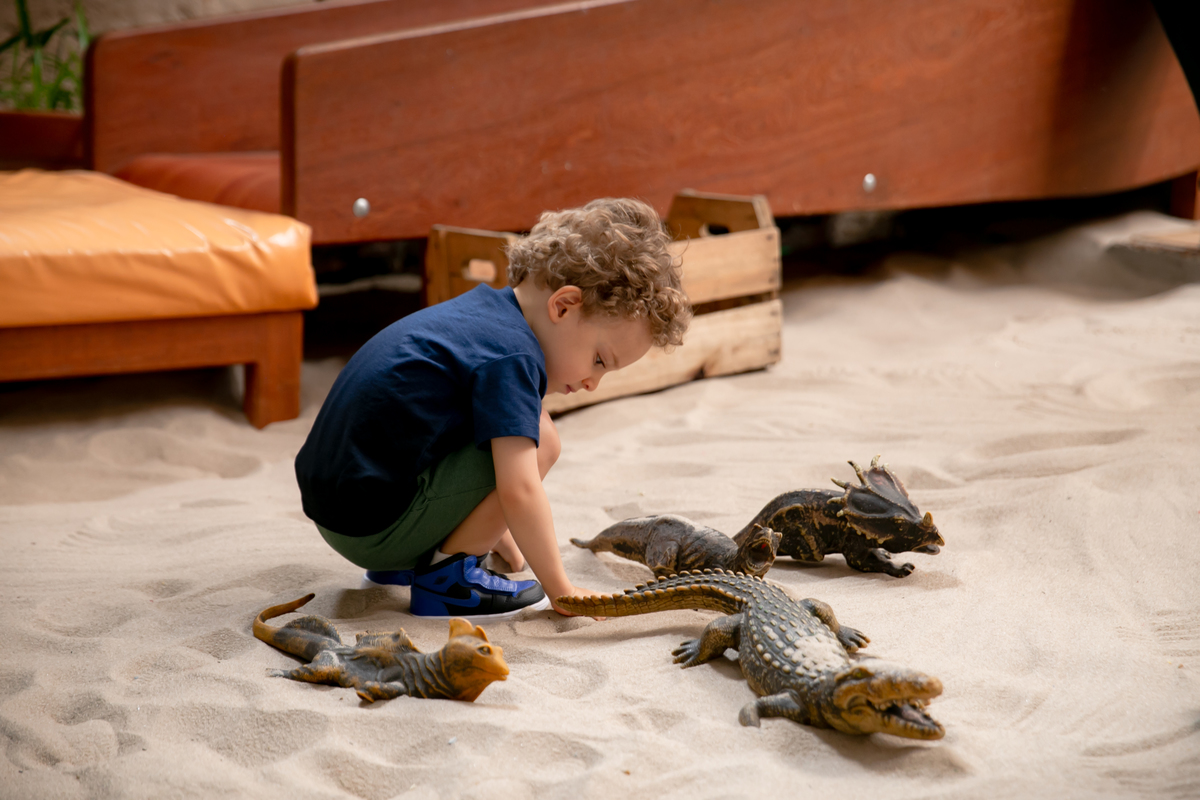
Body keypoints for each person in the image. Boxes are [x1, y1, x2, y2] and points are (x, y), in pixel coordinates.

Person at [294, 198, 691, 620]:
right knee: (543, 439)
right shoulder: (513, 357)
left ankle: (432, 552)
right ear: (563, 305)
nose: (593, 382)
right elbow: (520, 489)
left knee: (508, 427)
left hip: (340, 510)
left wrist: (488, 525)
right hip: (370, 528)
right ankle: (448, 581)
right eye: (599, 360)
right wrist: (563, 590)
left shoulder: (484, 317)